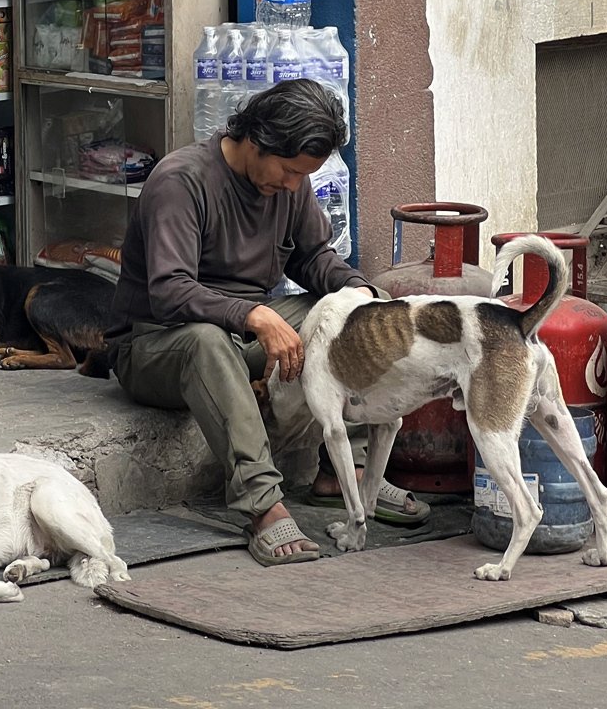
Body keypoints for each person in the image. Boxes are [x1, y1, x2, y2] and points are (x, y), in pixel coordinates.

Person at [106, 78, 429, 567]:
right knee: (206, 342)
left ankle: (349, 470)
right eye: (289, 171)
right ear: (256, 140)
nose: (294, 185)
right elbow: (169, 291)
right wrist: (253, 314)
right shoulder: (181, 181)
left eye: (304, 175)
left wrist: (357, 290)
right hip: (156, 341)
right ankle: (261, 503)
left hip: (245, 330)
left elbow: (313, 257)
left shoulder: (288, 185)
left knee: (362, 311)